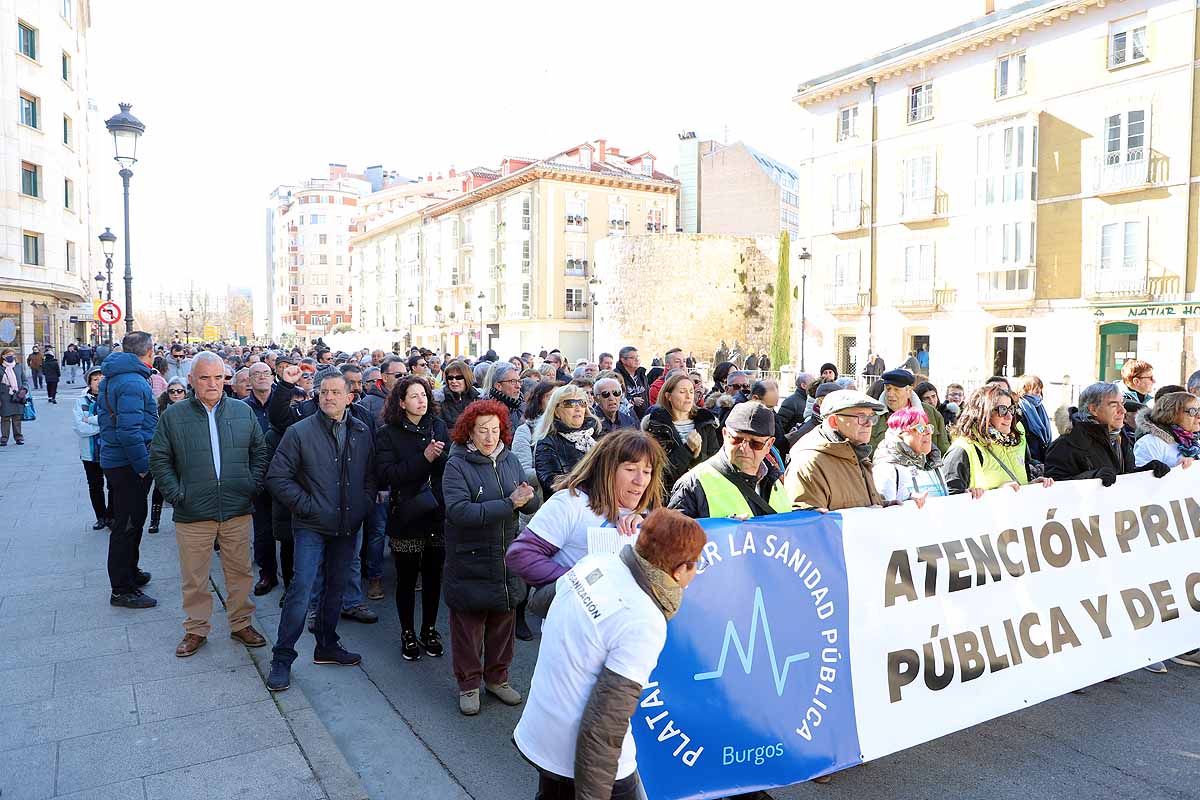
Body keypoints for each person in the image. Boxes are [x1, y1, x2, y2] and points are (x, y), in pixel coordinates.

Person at [512, 508, 705, 800]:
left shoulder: (598, 562)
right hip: (581, 756)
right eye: (695, 565)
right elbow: (605, 722)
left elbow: (540, 602)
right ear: (679, 571)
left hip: (542, 729)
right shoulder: (644, 619)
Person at [148, 352, 269, 657]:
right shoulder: (174, 416)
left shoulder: (243, 412)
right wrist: (178, 494)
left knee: (240, 571)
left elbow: (260, 451)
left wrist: (251, 486)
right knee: (194, 576)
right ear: (192, 381)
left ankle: (241, 623)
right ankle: (196, 629)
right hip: (193, 512)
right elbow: (159, 458)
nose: (213, 383)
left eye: (218, 377)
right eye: (204, 377)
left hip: (236, 508)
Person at [265, 371, 377, 692]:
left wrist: (362, 505)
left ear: (348, 398)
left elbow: (370, 476)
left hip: (346, 526)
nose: (328, 397)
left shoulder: (361, 430)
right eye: (323, 392)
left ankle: (327, 645)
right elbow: (277, 478)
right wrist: (309, 506)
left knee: (336, 589)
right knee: (301, 591)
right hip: (312, 525)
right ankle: (282, 658)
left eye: (334, 392)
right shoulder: (299, 432)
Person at [441, 399, 540, 715]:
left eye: (495, 430)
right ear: (469, 431)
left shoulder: (509, 460)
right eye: (482, 430)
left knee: (502, 624)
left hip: (505, 558)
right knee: (468, 629)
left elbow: (528, 500)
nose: (489, 437)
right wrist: (509, 504)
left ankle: (498, 679)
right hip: (469, 559)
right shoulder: (456, 464)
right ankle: (469, 684)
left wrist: (527, 501)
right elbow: (459, 512)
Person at [508, 429, 666, 601]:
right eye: (630, 469)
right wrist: (584, 582)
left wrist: (648, 524)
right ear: (607, 469)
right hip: (574, 620)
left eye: (647, 472)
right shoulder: (571, 503)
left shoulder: (645, 514)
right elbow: (521, 555)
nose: (640, 480)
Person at [374, 375, 450, 660]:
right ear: (401, 402)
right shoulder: (387, 433)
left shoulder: (438, 426)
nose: (422, 401)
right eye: (415, 396)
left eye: (424, 395)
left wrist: (439, 458)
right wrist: (425, 458)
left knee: (433, 577)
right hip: (406, 514)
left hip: (436, 513)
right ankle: (407, 631)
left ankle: (429, 629)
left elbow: (449, 467)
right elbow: (387, 475)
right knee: (406, 578)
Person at [97, 331, 160, 609]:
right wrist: (144, 467)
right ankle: (122, 589)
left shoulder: (119, 375)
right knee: (127, 525)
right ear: (150, 350)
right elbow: (129, 431)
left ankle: (130, 572)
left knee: (132, 521)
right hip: (128, 464)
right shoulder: (133, 381)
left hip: (120, 461)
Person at [668, 401, 790, 518]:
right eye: (737, 439)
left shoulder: (777, 481)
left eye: (755, 444)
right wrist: (723, 528)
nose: (744, 448)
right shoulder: (693, 485)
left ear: (769, 444)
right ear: (725, 435)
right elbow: (671, 536)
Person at [1045, 382, 1170, 486]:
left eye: (1122, 404)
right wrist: (1092, 477)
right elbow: (1054, 489)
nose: (1123, 410)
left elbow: (1121, 478)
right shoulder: (1066, 444)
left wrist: (1146, 472)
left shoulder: (1120, 438)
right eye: (1114, 405)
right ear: (1093, 409)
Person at [943, 384, 1055, 497]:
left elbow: (1014, 488)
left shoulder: (1013, 442)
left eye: (1011, 409)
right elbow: (949, 503)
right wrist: (998, 493)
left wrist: (1030, 486)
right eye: (1002, 410)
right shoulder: (962, 450)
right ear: (983, 412)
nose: (1009, 416)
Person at [785, 389, 886, 511]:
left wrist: (886, 507)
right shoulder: (810, 462)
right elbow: (809, 522)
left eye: (871, 417)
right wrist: (866, 516)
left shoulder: (856, 452)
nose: (869, 423)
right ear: (834, 422)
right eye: (861, 417)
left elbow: (857, 501)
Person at [243, 361, 283, 596]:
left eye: (265, 373)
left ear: (272, 377)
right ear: (249, 380)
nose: (261, 377)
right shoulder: (242, 408)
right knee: (263, 529)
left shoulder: (283, 402)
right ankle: (267, 574)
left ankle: (293, 579)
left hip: (286, 475)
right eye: (255, 374)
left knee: (289, 531)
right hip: (258, 475)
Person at [645, 372, 722, 494]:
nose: (688, 396)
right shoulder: (657, 424)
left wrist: (697, 456)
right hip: (669, 496)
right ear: (668, 396)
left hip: (703, 493)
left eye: (691, 391)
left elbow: (716, 463)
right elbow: (662, 472)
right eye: (682, 392)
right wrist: (688, 449)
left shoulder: (706, 421)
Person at [534, 384, 601, 495]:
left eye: (582, 403)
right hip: (569, 506)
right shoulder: (547, 443)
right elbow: (552, 485)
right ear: (556, 411)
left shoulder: (597, 436)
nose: (578, 408)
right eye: (570, 403)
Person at [872, 407, 948, 504]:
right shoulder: (886, 468)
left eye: (928, 427)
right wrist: (909, 501)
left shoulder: (933, 465)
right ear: (901, 434)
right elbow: (882, 511)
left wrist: (967, 496)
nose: (928, 432)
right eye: (920, 428)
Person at [869, 370, 950, 456]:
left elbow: (944, 450)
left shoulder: (931, 413)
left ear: (909, 391)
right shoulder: (873, 415)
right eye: (888, 389)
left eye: (896, 389)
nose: (890, 394)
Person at [75, 368, 109, 530]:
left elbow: (112, 420)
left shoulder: (111, 398)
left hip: (110, 450)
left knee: (114, 485)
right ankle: (101, 517)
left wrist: (91, 420)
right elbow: (80, 428)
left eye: (102, 378)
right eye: (95, 379)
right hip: (89, 452)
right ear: (89, 382)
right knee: (95, 485)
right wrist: (102, 426)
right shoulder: (81, 400)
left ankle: (112, 516)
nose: (99, 381)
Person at [1135, 390, 1200, 471]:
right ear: (1172, 414)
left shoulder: (1194, 442)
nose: (1198, 416)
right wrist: (1177, 469)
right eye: (1193, 411)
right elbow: (1141, 479)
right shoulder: (1150, 442)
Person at [1017, 375, 1054, 463]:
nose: (1038, 390)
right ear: (1024, 388)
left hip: (1043, 452)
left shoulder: (1039, 405)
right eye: (1034, 387)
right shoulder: (1020, 406)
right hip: (1030, 454)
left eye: (1040, 387)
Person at [0, 348, 31, 446]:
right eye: (8, 354)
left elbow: (25, 381)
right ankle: (4, 438)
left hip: (17, 395)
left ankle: (18, 437)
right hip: (4, 396)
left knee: (17, 418)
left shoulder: (18, 367)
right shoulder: (0, 368)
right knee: (5, 418)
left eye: (12, 354)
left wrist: (24, 390)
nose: (11, 356)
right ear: (3, 356)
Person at [439, 359, 479, 429]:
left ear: (467, 378)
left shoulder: (477, 398)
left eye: (458, 377)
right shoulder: (440, 399)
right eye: (450, 378)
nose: (454, 381)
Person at [485, 361, 524, 432]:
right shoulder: (485, 410)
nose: (518, 386)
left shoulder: (525, 408)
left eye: (519, 381)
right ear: (499, 386)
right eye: (513, 381)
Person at [615, 346, 649, 419]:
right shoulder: (616, 376)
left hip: (643, 417)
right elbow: (615, 396)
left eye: (637, 357)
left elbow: (647, 396)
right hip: (626, 419)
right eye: (632, 357)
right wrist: (631, 399)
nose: (637, 360)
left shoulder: (642, 374)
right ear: (623, 360)